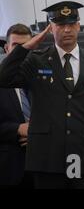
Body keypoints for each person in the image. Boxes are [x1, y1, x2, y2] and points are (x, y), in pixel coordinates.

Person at [0, 1, 84, 189]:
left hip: (82, 155)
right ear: (51, 28)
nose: (66, 30)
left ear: (78, 25)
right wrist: (26, 47)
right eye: (60, 25)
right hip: (47, 159)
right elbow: (4, 78)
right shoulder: (37, 61)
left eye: (71, 24)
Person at [0, 24, 33, 187]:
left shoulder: (42, 79)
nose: (22, 51)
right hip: (9, 169)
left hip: (44, 168)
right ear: (6, 48)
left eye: (26, 46)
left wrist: (38, 132)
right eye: (16, 46)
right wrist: (17, 129)